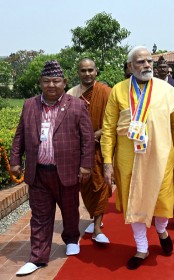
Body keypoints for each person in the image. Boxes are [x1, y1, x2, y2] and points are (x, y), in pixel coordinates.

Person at [100, 46, 174, 270]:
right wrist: (107, 162)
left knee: (162, 199)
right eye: (141, 62)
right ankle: (141, 248)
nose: (147, 65)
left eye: (149, 61)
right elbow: (108, 129)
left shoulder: (167, 90)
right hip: (129, 160)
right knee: (134, 201)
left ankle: (161, 229)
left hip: (162, 158)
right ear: (130, 66)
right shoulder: (118, 91)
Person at [10, 60, 94, 276]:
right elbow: (20, 134)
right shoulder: (30, 105)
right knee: (39, 216)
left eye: (56, 81)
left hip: (66, 170)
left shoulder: (76, 105)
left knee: (69, 209)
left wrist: (86, 166)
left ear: (64, 82)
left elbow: (87, 139)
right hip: (38, 172)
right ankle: (38, 257)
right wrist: (15, 160)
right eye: (47, 81)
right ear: (40, 83)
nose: (51, 85)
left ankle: (72, 238)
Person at [67, 58, 112, 243]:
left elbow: (115, 119)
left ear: (96, 71)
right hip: (78, 151)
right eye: (83, 70)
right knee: (85, 187)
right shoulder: (71, 94)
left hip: (100, 149)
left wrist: (98, 133)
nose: (87, 74)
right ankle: (93, 219)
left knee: (100, 186)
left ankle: (97, 229)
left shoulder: (106, 92)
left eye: (90, 70)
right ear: (78, 72)